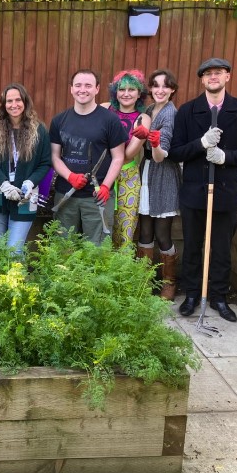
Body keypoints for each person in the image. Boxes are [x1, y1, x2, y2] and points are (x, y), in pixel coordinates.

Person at [169, 58, 237, 321]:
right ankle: (193, 295)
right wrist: (200, 143)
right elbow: (175, 152)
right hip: (195, 191)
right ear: (202, 80)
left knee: (221, 247)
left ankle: (219, 297)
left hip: (226, 191)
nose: (213, 77)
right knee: (193, 245)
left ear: (227, 77)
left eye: (218, 73)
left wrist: (225, 156)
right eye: (208, 74)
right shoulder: (188, 111)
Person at [49, 69, 127, 245]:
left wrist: (106, 186)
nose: (82, 90)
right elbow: (54, 156)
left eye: (88, 85)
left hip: (97, 197)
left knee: (97, 250)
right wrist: (70, 176)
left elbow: (118, 157)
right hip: (66, 195)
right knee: (63, 248)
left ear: (97, 89)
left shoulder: (110, 120)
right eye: (78, 85)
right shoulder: (59, 120)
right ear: (71, 89)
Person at [0, 83, 51, 254]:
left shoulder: (39, 130)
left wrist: (30, 182)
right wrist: (4, 184)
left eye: (18, 100)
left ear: (25, 101)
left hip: (25, 196)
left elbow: (45, 163)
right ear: (3, 105)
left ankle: (16, 281)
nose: (14, 105)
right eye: (9, 101)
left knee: (14, 251)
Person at [136, 69, 183, 301]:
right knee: (144, 229)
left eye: (165, 86)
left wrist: (153, 142)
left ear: (172, 90)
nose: (160, 90)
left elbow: (160, 156)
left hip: (163, 173)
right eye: (155, 86)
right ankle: (144, 281)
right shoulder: (148, 110)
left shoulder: (171, 115)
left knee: (162, 232)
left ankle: (169, 282)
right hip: (146, 172)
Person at [101, 70, 151, 248]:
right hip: (102, 173)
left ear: (139, 94)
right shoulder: (104, 108)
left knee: (125, 227)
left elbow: (128, 154)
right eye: (122, 89)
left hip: (127, 177)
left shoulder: (142, 119)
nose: (126, 93)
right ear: (115, 92)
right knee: (101, 225)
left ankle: (122, 271)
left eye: (132, 89)